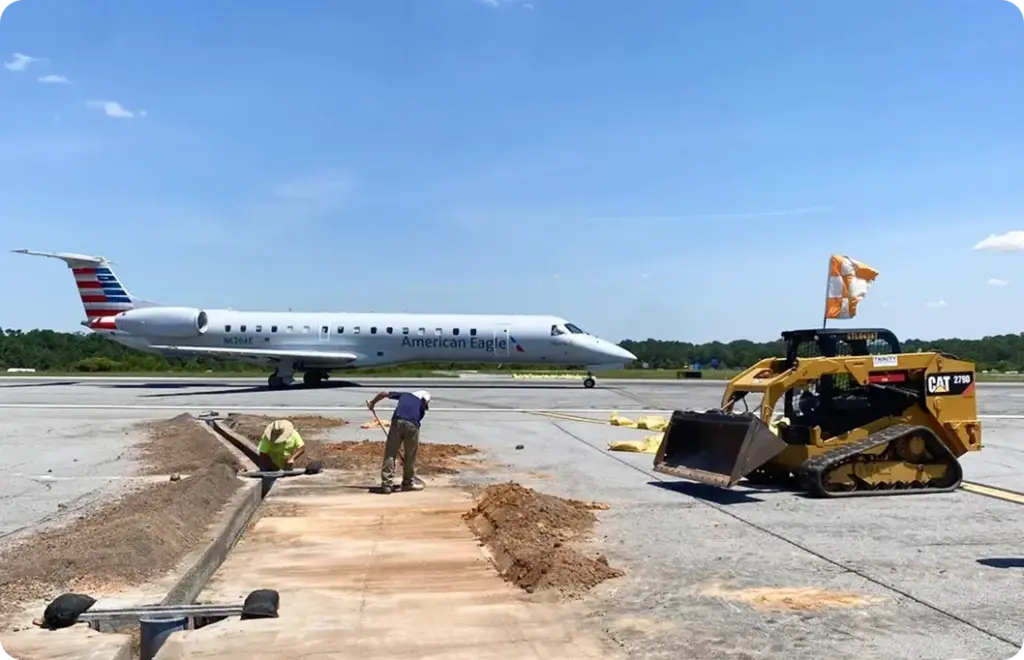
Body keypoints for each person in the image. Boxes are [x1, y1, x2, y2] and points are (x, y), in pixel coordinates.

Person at [367, 389, 430, 494]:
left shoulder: (405, 395)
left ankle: (387, 485)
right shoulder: (421, 405)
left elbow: (383, 393)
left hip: (397, 422)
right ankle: (408, 482)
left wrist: (372, 403)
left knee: (390, 453)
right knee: (410, 455)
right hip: (412, 426)